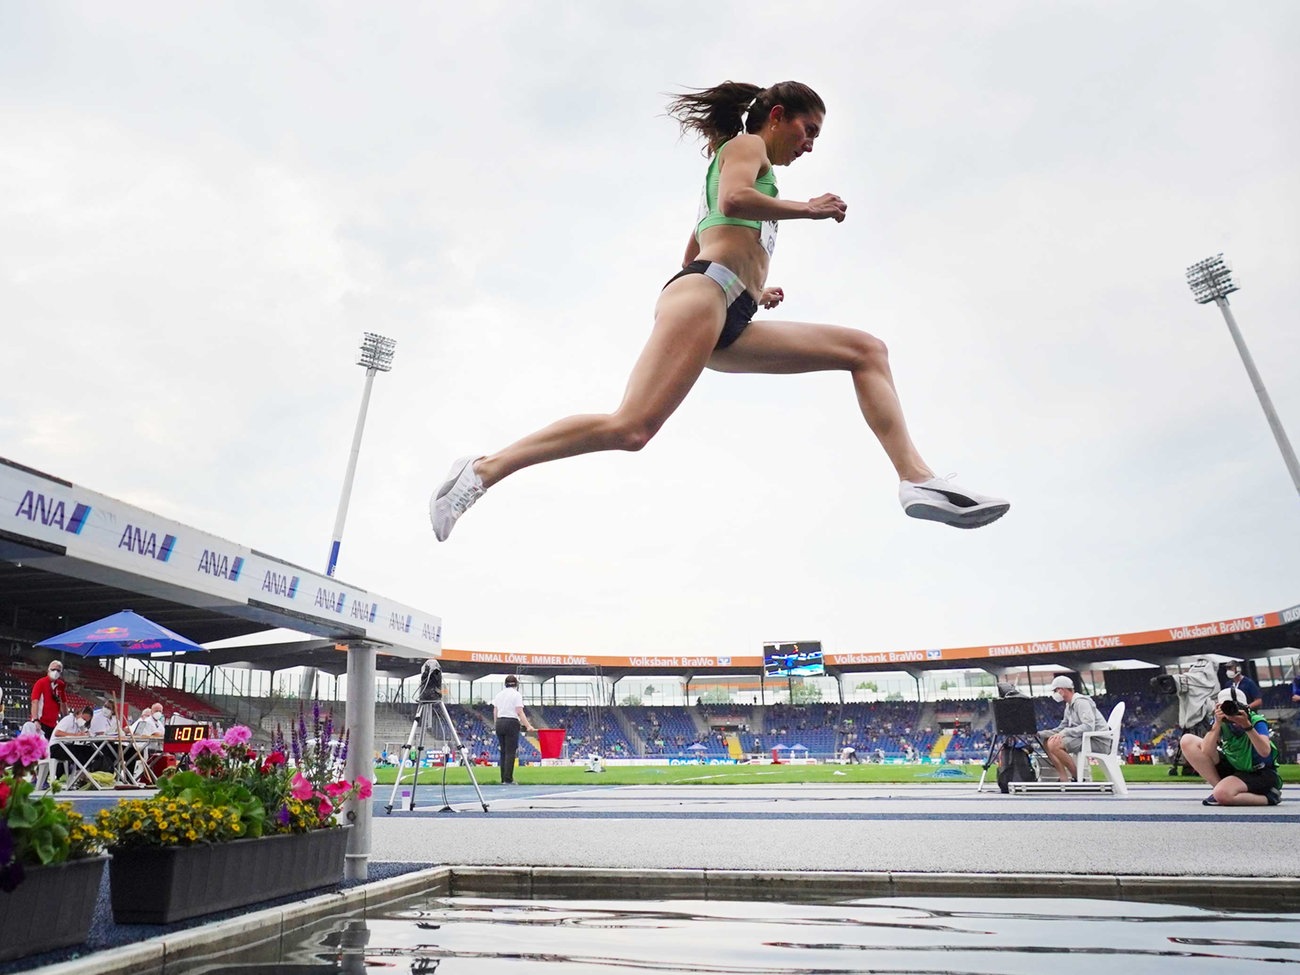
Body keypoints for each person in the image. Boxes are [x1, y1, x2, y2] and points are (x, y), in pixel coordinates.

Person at [429, 80, 1009, 541]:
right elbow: (731, 204)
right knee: (630, 428)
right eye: (809, 130)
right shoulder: (746, 147)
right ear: (777, 114)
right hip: (704, 297)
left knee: (866, 350)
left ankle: (917, 481)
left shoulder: (755, 170)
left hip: (725, 309)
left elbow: (706, 231)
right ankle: (481, 470)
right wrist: (803, 211)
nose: (811, 145)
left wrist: (750, 288)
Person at [1179, 686, 1282, 806]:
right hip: (1235, 767)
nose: (1231, 712)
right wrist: (1217, 723)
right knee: (1187, 740)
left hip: (1259, 772)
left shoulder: (1256, 721)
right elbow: (1206, 751)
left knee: (1223, 795)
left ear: (1246, 708)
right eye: (1226, 708)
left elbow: (1264, 752)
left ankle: (1270, 797)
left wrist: (1247, 726)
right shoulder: (1221, 721)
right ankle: (1219, 788)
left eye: (1236, 707)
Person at [1041, 675, 1112, 782]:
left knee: (1054, 744)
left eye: (1055, 690)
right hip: (1085, 739)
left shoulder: (1081, 702)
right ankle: (1063, 778)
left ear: (1062, 690)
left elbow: (1088, 727)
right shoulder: (1069, 706)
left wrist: (1064, 732)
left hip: (1098, 741)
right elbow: (1061, 727)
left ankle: (1077, 777)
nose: (1054, 694)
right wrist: (1039, 733)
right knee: (1047, 741)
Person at [491, 675, 533, 785]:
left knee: (503, 751)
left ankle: (503, 778)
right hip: (511, 722)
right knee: (510, 751)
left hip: (500, 721)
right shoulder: (516, 695)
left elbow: (495, 711)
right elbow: (519, 711)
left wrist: (496, 724)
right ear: (516, 684)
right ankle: (508, 778)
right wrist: (528, 725)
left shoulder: (499, 695)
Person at [29, 660, 68, 740]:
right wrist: (35, 720)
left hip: (53, 723)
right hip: (41, 722)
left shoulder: (61, 685)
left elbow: (63, 702)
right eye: (53, 669)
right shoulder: (41, 682)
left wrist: (66, 719)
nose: (55, 672)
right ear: (48, 670)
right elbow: (34, 701)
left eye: (58, 670)